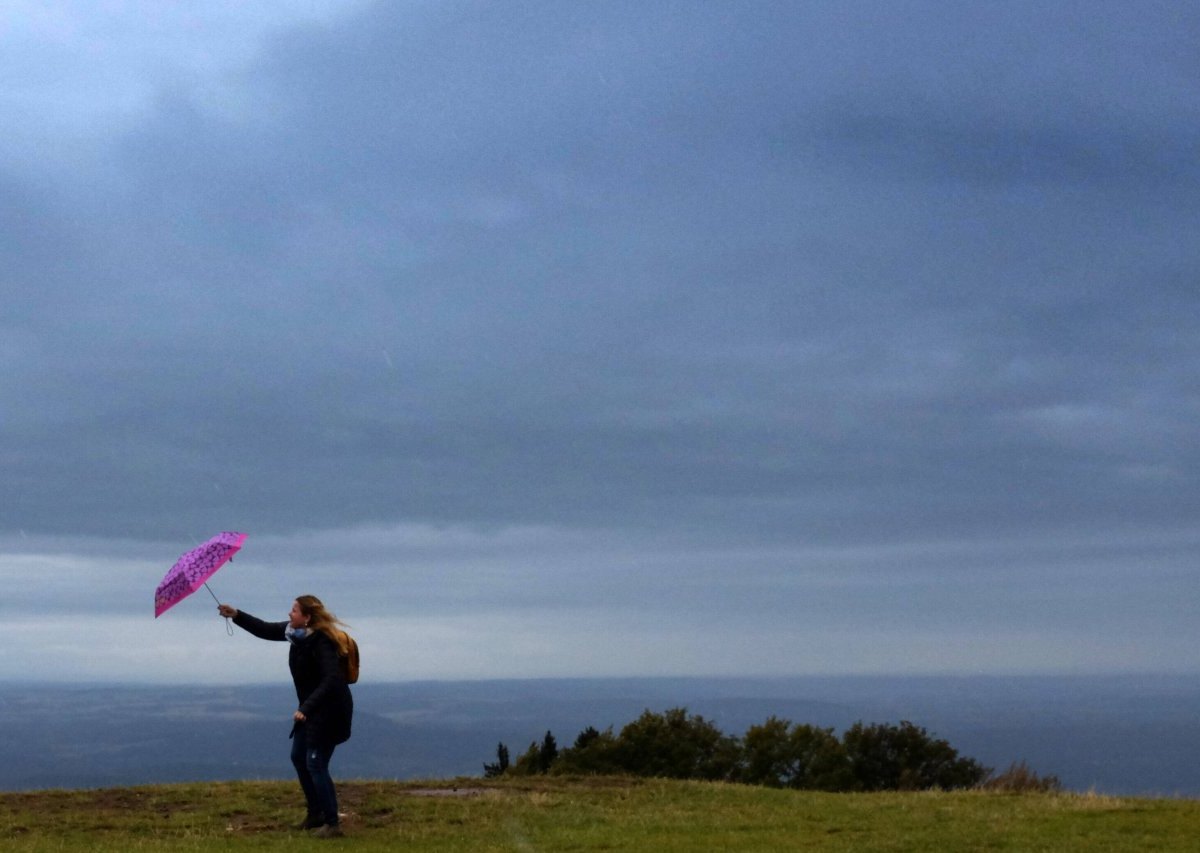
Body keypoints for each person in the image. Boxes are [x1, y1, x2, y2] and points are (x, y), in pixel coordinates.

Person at [217, 596, 354, 838]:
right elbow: (265, 629)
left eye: (294, 610)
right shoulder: (295, 633)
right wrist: (236, 614)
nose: (289, 614)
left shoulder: (322, 641)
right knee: (298, 757)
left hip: (330, 710)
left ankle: (332, 824)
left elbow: (332, 680)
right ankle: (315, 814)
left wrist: (307, 708)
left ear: (307, 617)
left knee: (316, 763)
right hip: (311, 709)